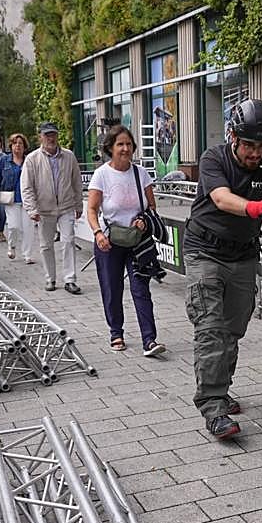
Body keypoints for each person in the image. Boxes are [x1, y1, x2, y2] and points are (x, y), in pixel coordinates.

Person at [184, 98, 262, 439]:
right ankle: (213, 406)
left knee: (232, 331)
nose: (255, 153)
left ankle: (220, 387)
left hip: (244, 256)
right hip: (205, 252)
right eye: (249, 145)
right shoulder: (213, 159)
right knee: (211, 329)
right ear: (233, 137)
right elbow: (220, 198)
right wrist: (254, 208)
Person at [85, 124, 165, 357]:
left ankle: (149, 340)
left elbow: (151, 205)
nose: (125, 148)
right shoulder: (102, 174)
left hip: (137, 242)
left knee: (141, 289)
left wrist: (143, 220)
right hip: (109, 242)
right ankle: (116, 331)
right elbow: (91, 209)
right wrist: (98, 233)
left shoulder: (141, 173)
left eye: (128, 144)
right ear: (110, 147)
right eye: (120, 144)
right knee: (112, 288)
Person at [20, 122, 83, 294]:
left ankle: (70, 279)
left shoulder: (69, 157)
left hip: (66, 206)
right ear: (40, 137)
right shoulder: (32, 159)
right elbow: (26, 187)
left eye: (53, 134)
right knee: (46, 245)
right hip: (44, 209)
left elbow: (77, 182)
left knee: (68, 240)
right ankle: (50, 278)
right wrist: (31, 209)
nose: (51, 138)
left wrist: (79, 204)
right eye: (47, 135)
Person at [0, 132, 34, 263]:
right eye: (15, 143)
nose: (17, 146)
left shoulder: (29, 160)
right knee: (14, 226)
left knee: (28, 228)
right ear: (11, 146)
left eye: (20, 143)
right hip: (11, 198)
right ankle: (12, 245)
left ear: (24, 146)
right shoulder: (4, 161)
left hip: (27, 198)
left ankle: (27, 254)